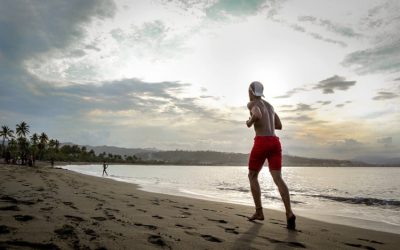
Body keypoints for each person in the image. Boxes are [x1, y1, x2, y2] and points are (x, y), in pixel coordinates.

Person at [246, 81, 296, 230]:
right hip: (275, 142)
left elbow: (257, 114)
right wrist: (267, 124)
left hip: (262, 142)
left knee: (252, 176)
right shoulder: (270, 106)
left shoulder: (252, 103)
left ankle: (259, 212)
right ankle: (289, 213)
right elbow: (279, 125)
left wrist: (250, 122)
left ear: (250, 92)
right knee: (278, 178)